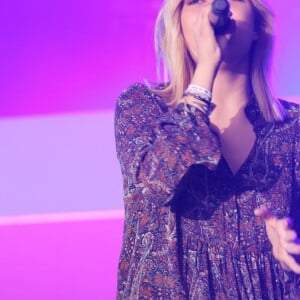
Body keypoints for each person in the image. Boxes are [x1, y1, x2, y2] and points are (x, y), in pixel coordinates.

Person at [114, 0, 300, 298]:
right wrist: (206, 70)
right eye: (196, 0)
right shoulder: (141, 106)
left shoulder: (293, 128)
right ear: (179, 25)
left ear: (258, 27)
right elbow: (157, 182)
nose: (217, 6)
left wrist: (293, 247)